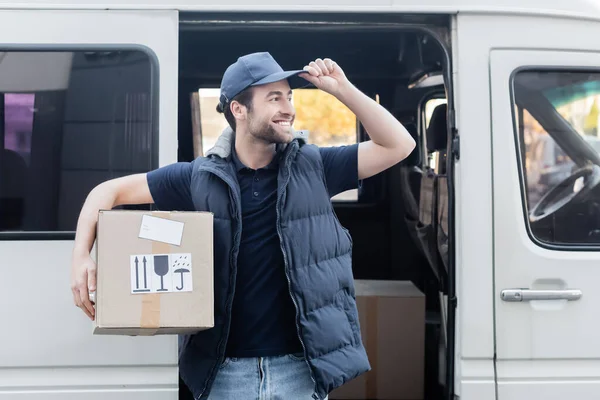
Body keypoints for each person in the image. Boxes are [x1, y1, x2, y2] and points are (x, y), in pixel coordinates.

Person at [70, 52, 416, 400]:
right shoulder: (197, 177)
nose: (289, 108)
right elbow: (107, 192)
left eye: (289, 96)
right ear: (239, 109)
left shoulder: (315, 166)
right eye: (274, 98)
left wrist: (342, 90)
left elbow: (399, 145)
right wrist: (81, 257)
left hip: (299, 371)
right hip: (225, 375)